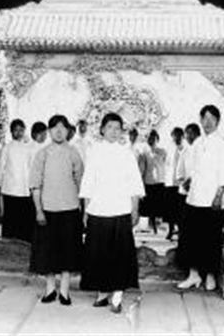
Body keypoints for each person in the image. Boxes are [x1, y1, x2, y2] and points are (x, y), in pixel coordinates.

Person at [80, 113, 145, 314]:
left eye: (117, 128)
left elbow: (134, 183)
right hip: (98, 210)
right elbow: (88, 182)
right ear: (102, 129)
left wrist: (135, 209)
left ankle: (117, 295)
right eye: (110, 127)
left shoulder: (126, 154)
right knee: (99, 253)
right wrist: (86, 210)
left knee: (119, 254)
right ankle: (102, 292)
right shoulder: (94, 152)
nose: (114, 131)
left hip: (120, 210)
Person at [29, 115, 84, 306]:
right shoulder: (42, 154)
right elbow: (35, 184)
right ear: (50, 131)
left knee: (68, 251)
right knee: (47, 252)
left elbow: (81, 183)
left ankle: (65, 291)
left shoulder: (74, 153)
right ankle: (50, 289)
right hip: (47, 210)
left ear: (68, 130)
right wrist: (39, 210)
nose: (59, 131)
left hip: (70, 209)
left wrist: (83, 209)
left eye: (63, 127)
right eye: (54, 127)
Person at [177, 105, 224, 292]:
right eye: (205, 118)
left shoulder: (222, 144)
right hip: (195, 197)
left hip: (212, 199)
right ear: (200, 120)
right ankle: (193, 275)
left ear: (217, 121)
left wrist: (218, 196)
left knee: (211, 239)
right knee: (191, 238)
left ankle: (210, 276)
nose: (208, 122)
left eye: (211, 119)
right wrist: (188, 181)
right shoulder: (197, 143)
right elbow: (194, 169)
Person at [0, 119, 35, 242]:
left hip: (24, 189)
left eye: (21, 130)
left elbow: (31, 168)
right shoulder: (6, 148)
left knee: (22, 218)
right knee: (10, 217)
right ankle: (8, 242)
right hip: (10, 189)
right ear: (11, 132)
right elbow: (0, 167)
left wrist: (31, 186)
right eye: (16, 130)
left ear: (24, 131)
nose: (18, 133)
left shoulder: (28, 149)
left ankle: (21, 242)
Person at [163, 127, 188, 240]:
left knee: (179, 209)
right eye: (174, 135)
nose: (176, 138)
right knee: (170, 209)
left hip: (180, 184)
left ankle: (181, 231)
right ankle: (170, 230)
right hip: (169, 182)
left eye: (178, 135)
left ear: (182, 136)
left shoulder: (186, 148)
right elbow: (167, 164)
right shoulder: (169, 148)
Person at [139, 130, 166, 234]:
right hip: (149, 182)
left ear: (157, 139)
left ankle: (159, 226)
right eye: (149, 138)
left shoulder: (162, 152)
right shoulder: (144, 153)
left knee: (159, 206)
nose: (151, 140)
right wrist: (141, 183)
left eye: (153, 138)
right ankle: (152, 226)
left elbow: (166, 165)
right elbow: (142, 169)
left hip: (160, 181)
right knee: (150, 207)